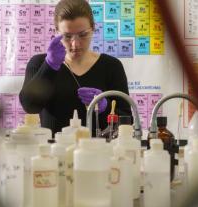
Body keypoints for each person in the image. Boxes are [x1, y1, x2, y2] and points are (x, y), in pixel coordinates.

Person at [19, 0, 131, 135]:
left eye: (83, 35)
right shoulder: (39, 63)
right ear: (56, 32)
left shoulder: (112, 66)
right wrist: (49, 66)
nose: (75, 44)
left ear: (93, 28)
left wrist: (105, 107)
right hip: (53, 153)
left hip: (100, 152)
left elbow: (127, 121)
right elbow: (29, 106)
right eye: (67, 36)